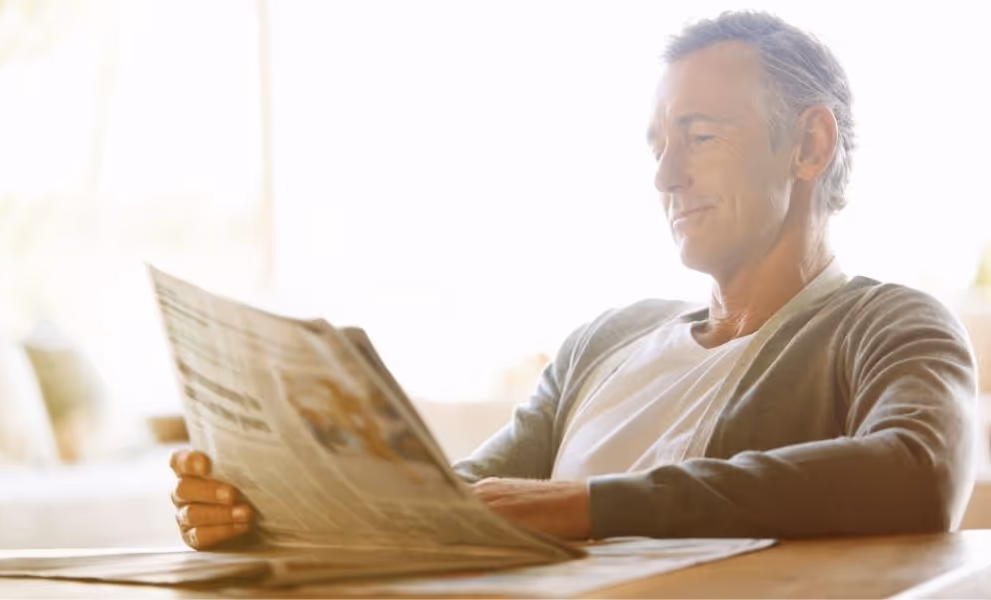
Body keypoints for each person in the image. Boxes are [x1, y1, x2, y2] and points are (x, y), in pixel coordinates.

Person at [169, 11, 978, 549]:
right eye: (657, 142)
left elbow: (918, 473)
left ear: (808, 147)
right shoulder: (608, 339)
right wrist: (271, 512)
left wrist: (590, 504)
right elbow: (462, 504)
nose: (665, 176)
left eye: (698, 135)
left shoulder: (891, 325)